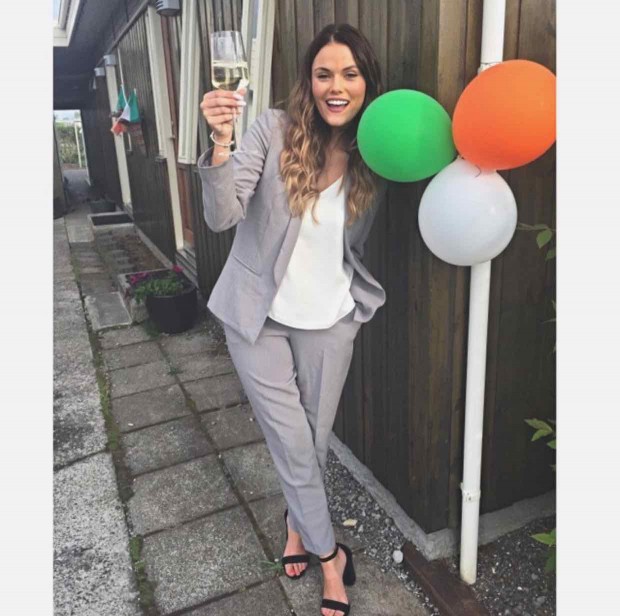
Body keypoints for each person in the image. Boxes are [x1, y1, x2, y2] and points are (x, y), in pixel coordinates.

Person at [198, 23, 386, 616]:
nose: (336, 87)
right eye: (324, 74)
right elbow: (222, 215)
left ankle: (295, 526)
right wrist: (221, 142)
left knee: (312, 442)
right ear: (309, 80)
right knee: (293, 443)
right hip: (260, 320)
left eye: (349, 74)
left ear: (366, 83)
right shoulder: (273, 129)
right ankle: (331, 560)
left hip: (330, 320)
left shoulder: (374, 152)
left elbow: (354, 242)